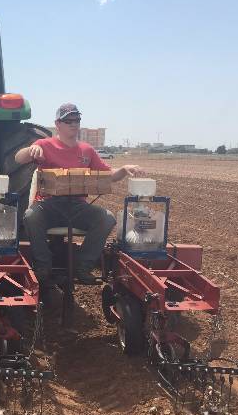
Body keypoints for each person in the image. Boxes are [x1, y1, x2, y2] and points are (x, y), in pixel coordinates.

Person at [15, 102, 144, 293]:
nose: (74, 124)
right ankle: (43, 266)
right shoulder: (44, 144)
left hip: (77, 205)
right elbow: (18, 158)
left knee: (106, 218)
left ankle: (82, 266)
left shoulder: (87, 150)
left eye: (77, 120)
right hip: (48, 204)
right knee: (30, 216)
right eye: (68, 121)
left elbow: (109, 175)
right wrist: (29, 151)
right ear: (58, 124)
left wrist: (124, 169)